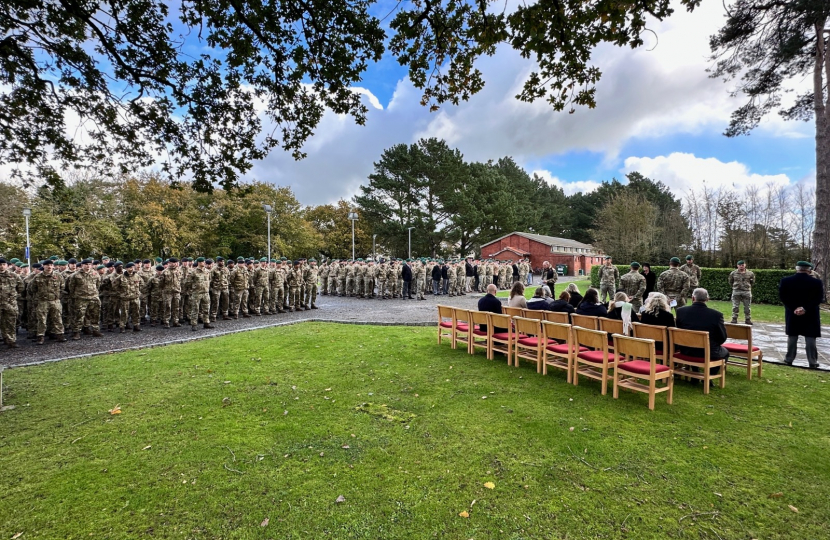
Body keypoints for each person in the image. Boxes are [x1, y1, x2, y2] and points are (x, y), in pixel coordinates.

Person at [779, 261, 824, 368]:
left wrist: (794, 308)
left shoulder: (786, 281)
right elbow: (818, 299)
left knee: (792, 336)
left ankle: (789, 359)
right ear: (809, 270)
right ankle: (812, 361)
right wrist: (804, 308)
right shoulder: (817, 283)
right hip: (810, 313)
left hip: (792, 312)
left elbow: (783, 297)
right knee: (810, 337)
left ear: (797, 268)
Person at [675, 288, 728, 375]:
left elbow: (679, 328)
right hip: (708, 351)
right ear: (707, 299)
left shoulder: (681, 311)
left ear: (693, 298)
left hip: (685, 349)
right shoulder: (716, 315)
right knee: (725, 352)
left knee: (695, 345)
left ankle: (695, 371)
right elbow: (722, 336)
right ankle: (710, 375)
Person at [728, 260, 754, 324]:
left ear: (745, 265)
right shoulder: (733, 273)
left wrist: (747, 286)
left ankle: (748, 319)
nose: (741, 266)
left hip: (746, 291)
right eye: (740, 265)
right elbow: (730, 281)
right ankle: (734, 318)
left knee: (747, 307)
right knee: (735, 306)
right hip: (736, 291)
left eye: (742, 265)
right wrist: (735, 286)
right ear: (737, 266)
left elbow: (752, 282)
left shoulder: (750, 273)